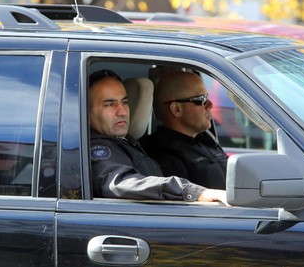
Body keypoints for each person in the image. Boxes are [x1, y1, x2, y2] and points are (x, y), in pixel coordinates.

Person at [89, 69, 227, 204]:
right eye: (109, 104)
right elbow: (122, 182)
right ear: (86, 112)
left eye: (124, 102)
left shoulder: (126, 144)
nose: (122, 111)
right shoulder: (98, 150)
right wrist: (193, 191)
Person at [140, 71, 228, 189]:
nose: (210, 105)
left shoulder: (205, 139)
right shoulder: (164, 156)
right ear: (176, 109)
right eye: (201, 99)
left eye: (207, 97)